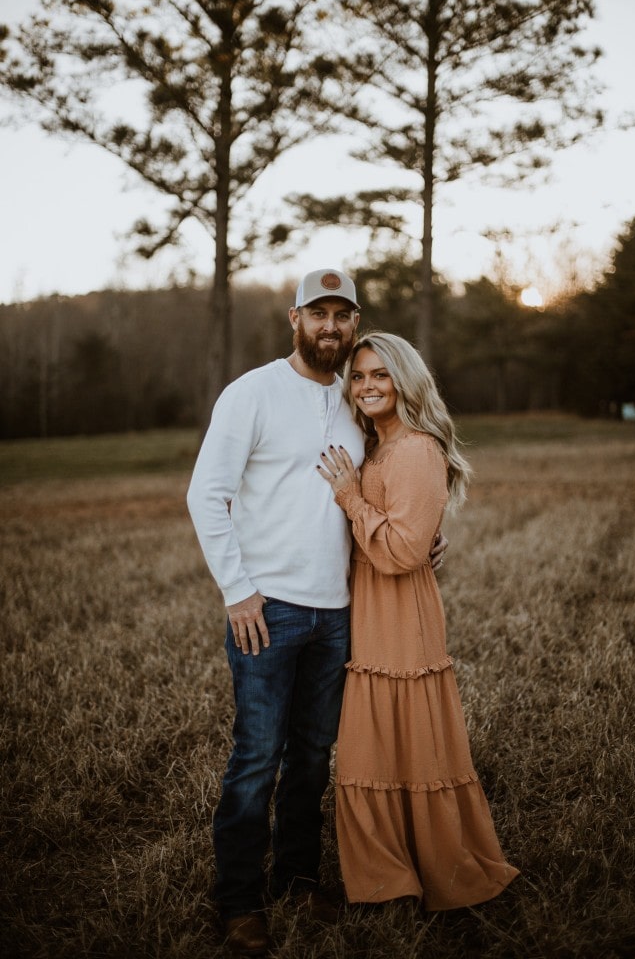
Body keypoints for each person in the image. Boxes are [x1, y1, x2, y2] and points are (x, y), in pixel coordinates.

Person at [186, 273, 446, 957]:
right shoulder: (252, 393)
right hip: (266, 609)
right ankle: (239, 900)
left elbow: (388, 480)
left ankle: (298, 880)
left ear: (353, 323)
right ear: (293, 317)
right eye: (318, 313)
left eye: (342, 315)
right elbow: (205, 494)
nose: (330, 327)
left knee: (310, 759)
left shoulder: (353, 396)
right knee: (256, 759)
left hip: (338, 613)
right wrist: (237, 590)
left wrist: (416, 533)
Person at [317, 332, 520, 911]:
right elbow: (411, 528)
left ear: (405, 380)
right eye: (358, 377)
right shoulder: (376, 445)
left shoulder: (414, 448)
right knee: (376, 744)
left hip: (401, 609)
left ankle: (425, 868)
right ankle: (390, 872)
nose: (368, 386)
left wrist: (351, 498)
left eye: (381, 374)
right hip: (371, 603)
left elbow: (404, 552)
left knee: (406, 740)